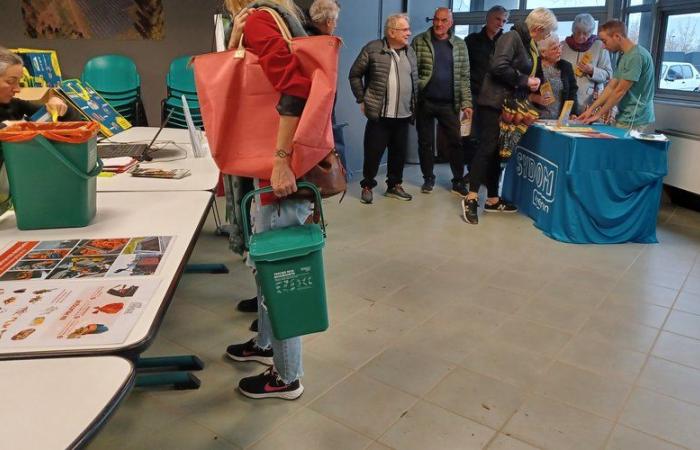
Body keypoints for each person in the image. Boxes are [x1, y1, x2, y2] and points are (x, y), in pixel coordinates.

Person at [223, 0, 333, 401]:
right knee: (267, 272)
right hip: (274, 166)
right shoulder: (281, 15)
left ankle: (287, 378)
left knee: (279, 277)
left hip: (278, 171)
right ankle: (266, 345)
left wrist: (282, 161)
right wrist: (236, 38)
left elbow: (294, 87)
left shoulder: (259, 19)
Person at [462, 7, 557, 225]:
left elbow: (538, 74)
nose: (548, 37)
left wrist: (545, 95)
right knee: (487, 148)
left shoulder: (530, 45)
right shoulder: (511, 37)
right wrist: (524, 80)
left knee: (498, 152)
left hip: (512, 105)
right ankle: (472, 197)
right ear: (539, 28)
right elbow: (497, 66)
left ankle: (493, 199)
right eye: (548, 32)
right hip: (494, 103)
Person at [349, 13, 418, 204]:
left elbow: (414, 80)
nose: (409, 33)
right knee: (373, 153)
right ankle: (367, 186)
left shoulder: (410, 51)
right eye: (405, 30)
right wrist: (361, 99)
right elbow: (354, 75)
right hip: (380, 115)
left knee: (399, 153)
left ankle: (394, 185)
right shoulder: (373, 49)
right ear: (392, 32)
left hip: (404, 115)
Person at [412, 7, 472, 196]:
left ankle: (458, 180)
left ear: (451, 23)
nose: (439, 24)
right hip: (425, 102)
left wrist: (467, 102)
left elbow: (464, 76)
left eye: (443, 20)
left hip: (449, 103)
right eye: (436, 20)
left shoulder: (460, 45)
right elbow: (412, 72)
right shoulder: (419, 41)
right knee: (425, 143)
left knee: (456, 142)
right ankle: (428, 178)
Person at [578, 20, 655, 131]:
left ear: (617, 37)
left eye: (605, 41)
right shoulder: (624, 55)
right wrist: (591, 110)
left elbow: (619, 91)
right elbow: (611, 87)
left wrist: (598, 115)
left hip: (635, 116)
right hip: (625, 115)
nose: (604, 47)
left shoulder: (636, 56)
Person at [465, 5, 509, 183]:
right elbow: (463, 70)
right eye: (498, 19)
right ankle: (472, 171)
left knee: (491, 139)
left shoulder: (506, 42)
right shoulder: (472, 40)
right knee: (470, 136)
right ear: (488, 18)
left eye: (504, 21)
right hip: (474, 96)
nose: (501, 23)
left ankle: (489, 176)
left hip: (496, 99)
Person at [0, 47, 69, 128]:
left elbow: (68, 118)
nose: (18, 89)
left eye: (19, 82)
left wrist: (57, 103)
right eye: (10, 81)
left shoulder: (14, 105)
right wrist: (4, 126)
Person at [561, 13, 612, 115]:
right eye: (578, 32)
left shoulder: (600, 46)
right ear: (573, 30)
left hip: (588, 103)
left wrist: (592, 71)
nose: (581, 37)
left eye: (585, 33)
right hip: (564, 100)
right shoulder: (563, 46)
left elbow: (608, 75)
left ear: (591, 32)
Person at [531, 33, 578, 119]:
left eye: (560, 46)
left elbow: (572, 91)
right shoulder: (533, 65)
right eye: (554, 48)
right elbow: (522, 92)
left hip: (559, 120)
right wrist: (536, 98)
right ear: (543, 52)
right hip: (535, 119)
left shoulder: (566, 66)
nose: (559, 51)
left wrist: (573, 112)